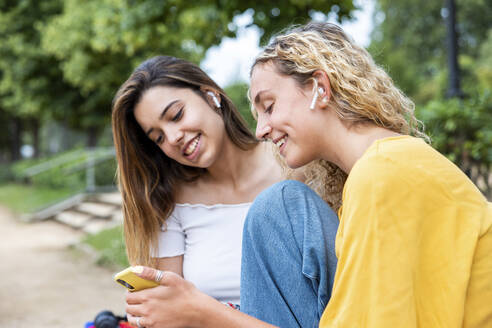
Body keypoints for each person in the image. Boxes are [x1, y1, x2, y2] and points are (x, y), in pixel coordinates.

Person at [125, 22, 492, 328]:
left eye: (269, 107)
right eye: (157, 137)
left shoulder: (383, 175)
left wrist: (205, 311)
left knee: (277, 204)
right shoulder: (378, 170)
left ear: (319, 87)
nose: (262, 130)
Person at [111, 55, 284, 313]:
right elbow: (170, 312)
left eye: (176, 115)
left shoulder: (295, 166)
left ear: (211, 96)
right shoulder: (171, 203)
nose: (173, 138)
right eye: (158, 138)